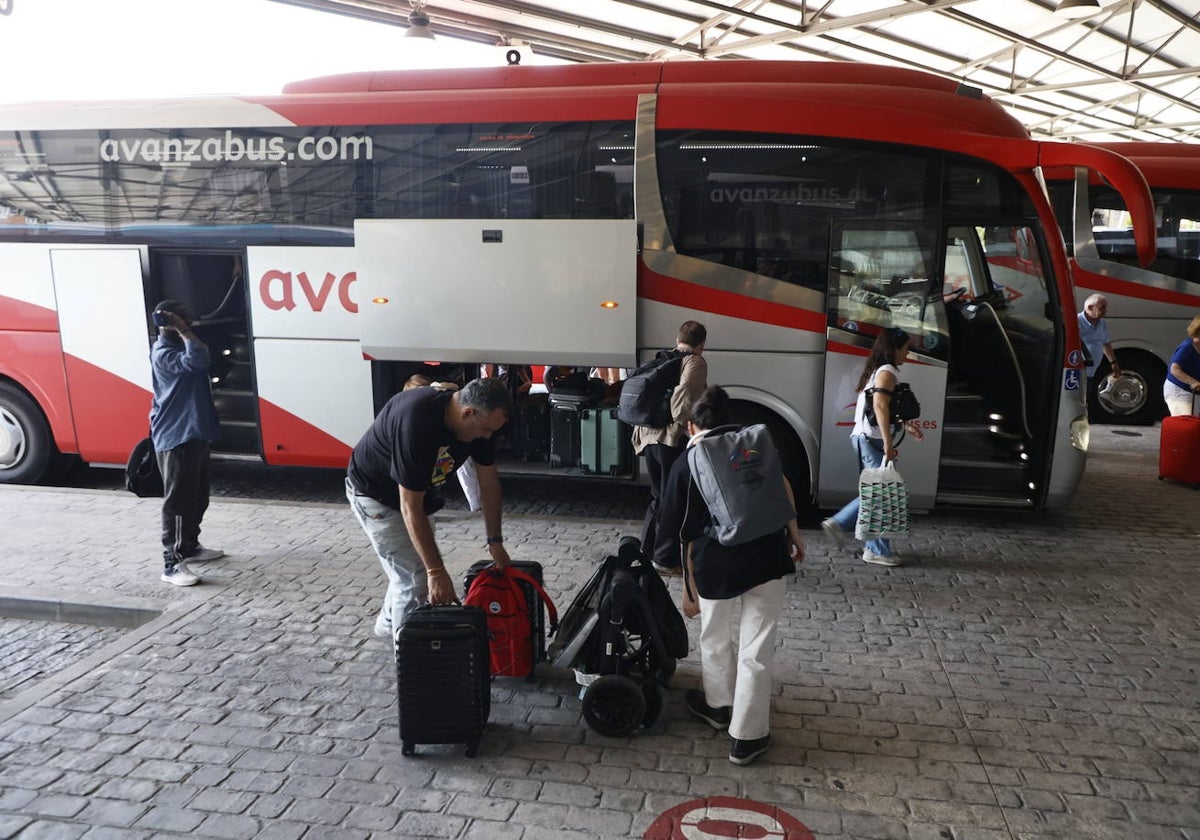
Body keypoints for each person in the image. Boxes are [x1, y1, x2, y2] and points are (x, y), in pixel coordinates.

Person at [657, 385, 804, 766]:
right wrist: (794, 534)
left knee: (715, 635)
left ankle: (719, 706)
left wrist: (687, 588)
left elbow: (678, 532)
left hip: (716, 565)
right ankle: (748, 739)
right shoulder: (754, 445)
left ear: (692, 426)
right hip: (769, 556)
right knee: (758, 647)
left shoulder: (687, 462)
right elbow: (782, 487)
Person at [346, 377, 514, 640]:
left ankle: (388, 624)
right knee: (416, 579)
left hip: (416, 498)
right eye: (485, 430)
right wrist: (437, 572)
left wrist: (495, 541)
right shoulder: (416, 422)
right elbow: (409, 506)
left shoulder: (478, 423)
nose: (487, 437)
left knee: (411, 567)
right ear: (468, 413)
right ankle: (409, 664)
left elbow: (489, 483)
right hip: (376, 496)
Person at [821, 327, 923, 567]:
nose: (907, 354)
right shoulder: (886, 372)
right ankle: (870, 545)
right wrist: (888, 444)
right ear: (894, 349)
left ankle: (852, 531)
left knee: (878, 492)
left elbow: (887, 407)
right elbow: (879, 407)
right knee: (881, 494)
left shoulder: (878, 371)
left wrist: (906, 427)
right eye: (905, 349)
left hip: (866, 438)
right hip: (872, 440)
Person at [149, 300, 223, 587]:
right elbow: (199, 360)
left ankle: (190, 546)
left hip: (194, 433)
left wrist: (183, 331)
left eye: (187, 316)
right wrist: (183, 330)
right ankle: (172, 563)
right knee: (179, 502)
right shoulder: (164, 353)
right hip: (177, 435)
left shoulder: (178, 346)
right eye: (182, 317)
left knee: (198, 496)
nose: (188, 320)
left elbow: (203, 356)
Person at [631, 320, 708, 575]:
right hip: (669, 439)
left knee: (658, 495)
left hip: (647, 436)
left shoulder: (663, 358)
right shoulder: (694, 362)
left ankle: (646, 550)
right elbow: (685, 397)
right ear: (701, 344)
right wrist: (682, 420)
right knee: (672, 500)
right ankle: (664, 559)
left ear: (678, 339)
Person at [1078, 294, 1121, 384]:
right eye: (1102, 308)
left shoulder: (1102, 322)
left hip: (1092, 372)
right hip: (1078, 372)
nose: (1105, 311)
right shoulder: (1076, 321)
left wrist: (1113, 362)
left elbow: (1105, 343)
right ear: (1090, 307)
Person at [1163, 315, 1200, 417]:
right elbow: (1174, 369)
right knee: (1185, 422)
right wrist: (1193, 382)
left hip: (1193, 393)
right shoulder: (1187, 347)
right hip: (1179, 391)